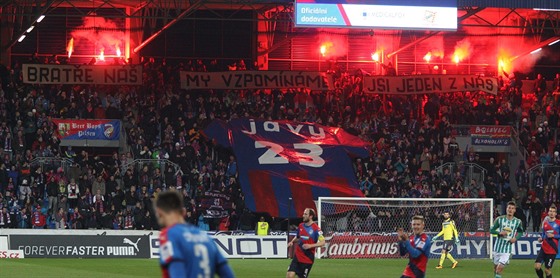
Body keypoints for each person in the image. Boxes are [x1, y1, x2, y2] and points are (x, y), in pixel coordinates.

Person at [156, 191, 234, 278]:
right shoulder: (205, 237)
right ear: (184, 212)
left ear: (159, 212)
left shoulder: (169, 235)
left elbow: (177, 272)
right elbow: (227, 274)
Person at [286, 208, 325, 278]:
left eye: (305, 214)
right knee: (289, 275)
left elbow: (323, 242)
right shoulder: (301, 226)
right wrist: (292, 242)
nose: (303, 215)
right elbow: (298, 237)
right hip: (297, 256)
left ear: (311, 216)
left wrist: (310, 246)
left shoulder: (316, 229)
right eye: (303, 214)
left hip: (307, 259)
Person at [490, 201, 524, 278]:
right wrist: (499, 233)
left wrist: (515, 238)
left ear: (515, 210)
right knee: (495, 269)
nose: (510, 210)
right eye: (509, 208)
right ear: (506, 209)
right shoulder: (499, 219)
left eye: (512, 208)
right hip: (497, 248)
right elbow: (491, 230)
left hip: (507, 249)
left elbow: (520, 232)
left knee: (499, 269)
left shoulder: (518, 222)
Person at [535, 204, 560, 278]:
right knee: (537, 266)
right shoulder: (545, 223)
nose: (551, 213)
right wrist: (541, 238)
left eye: (553, 211)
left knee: (547, 270)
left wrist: (554, 236)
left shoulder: (558, 223)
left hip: (552, 250)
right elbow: (543, 234)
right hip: (543, 248)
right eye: (550, 211)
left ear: (556, 213)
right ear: (548, 213)